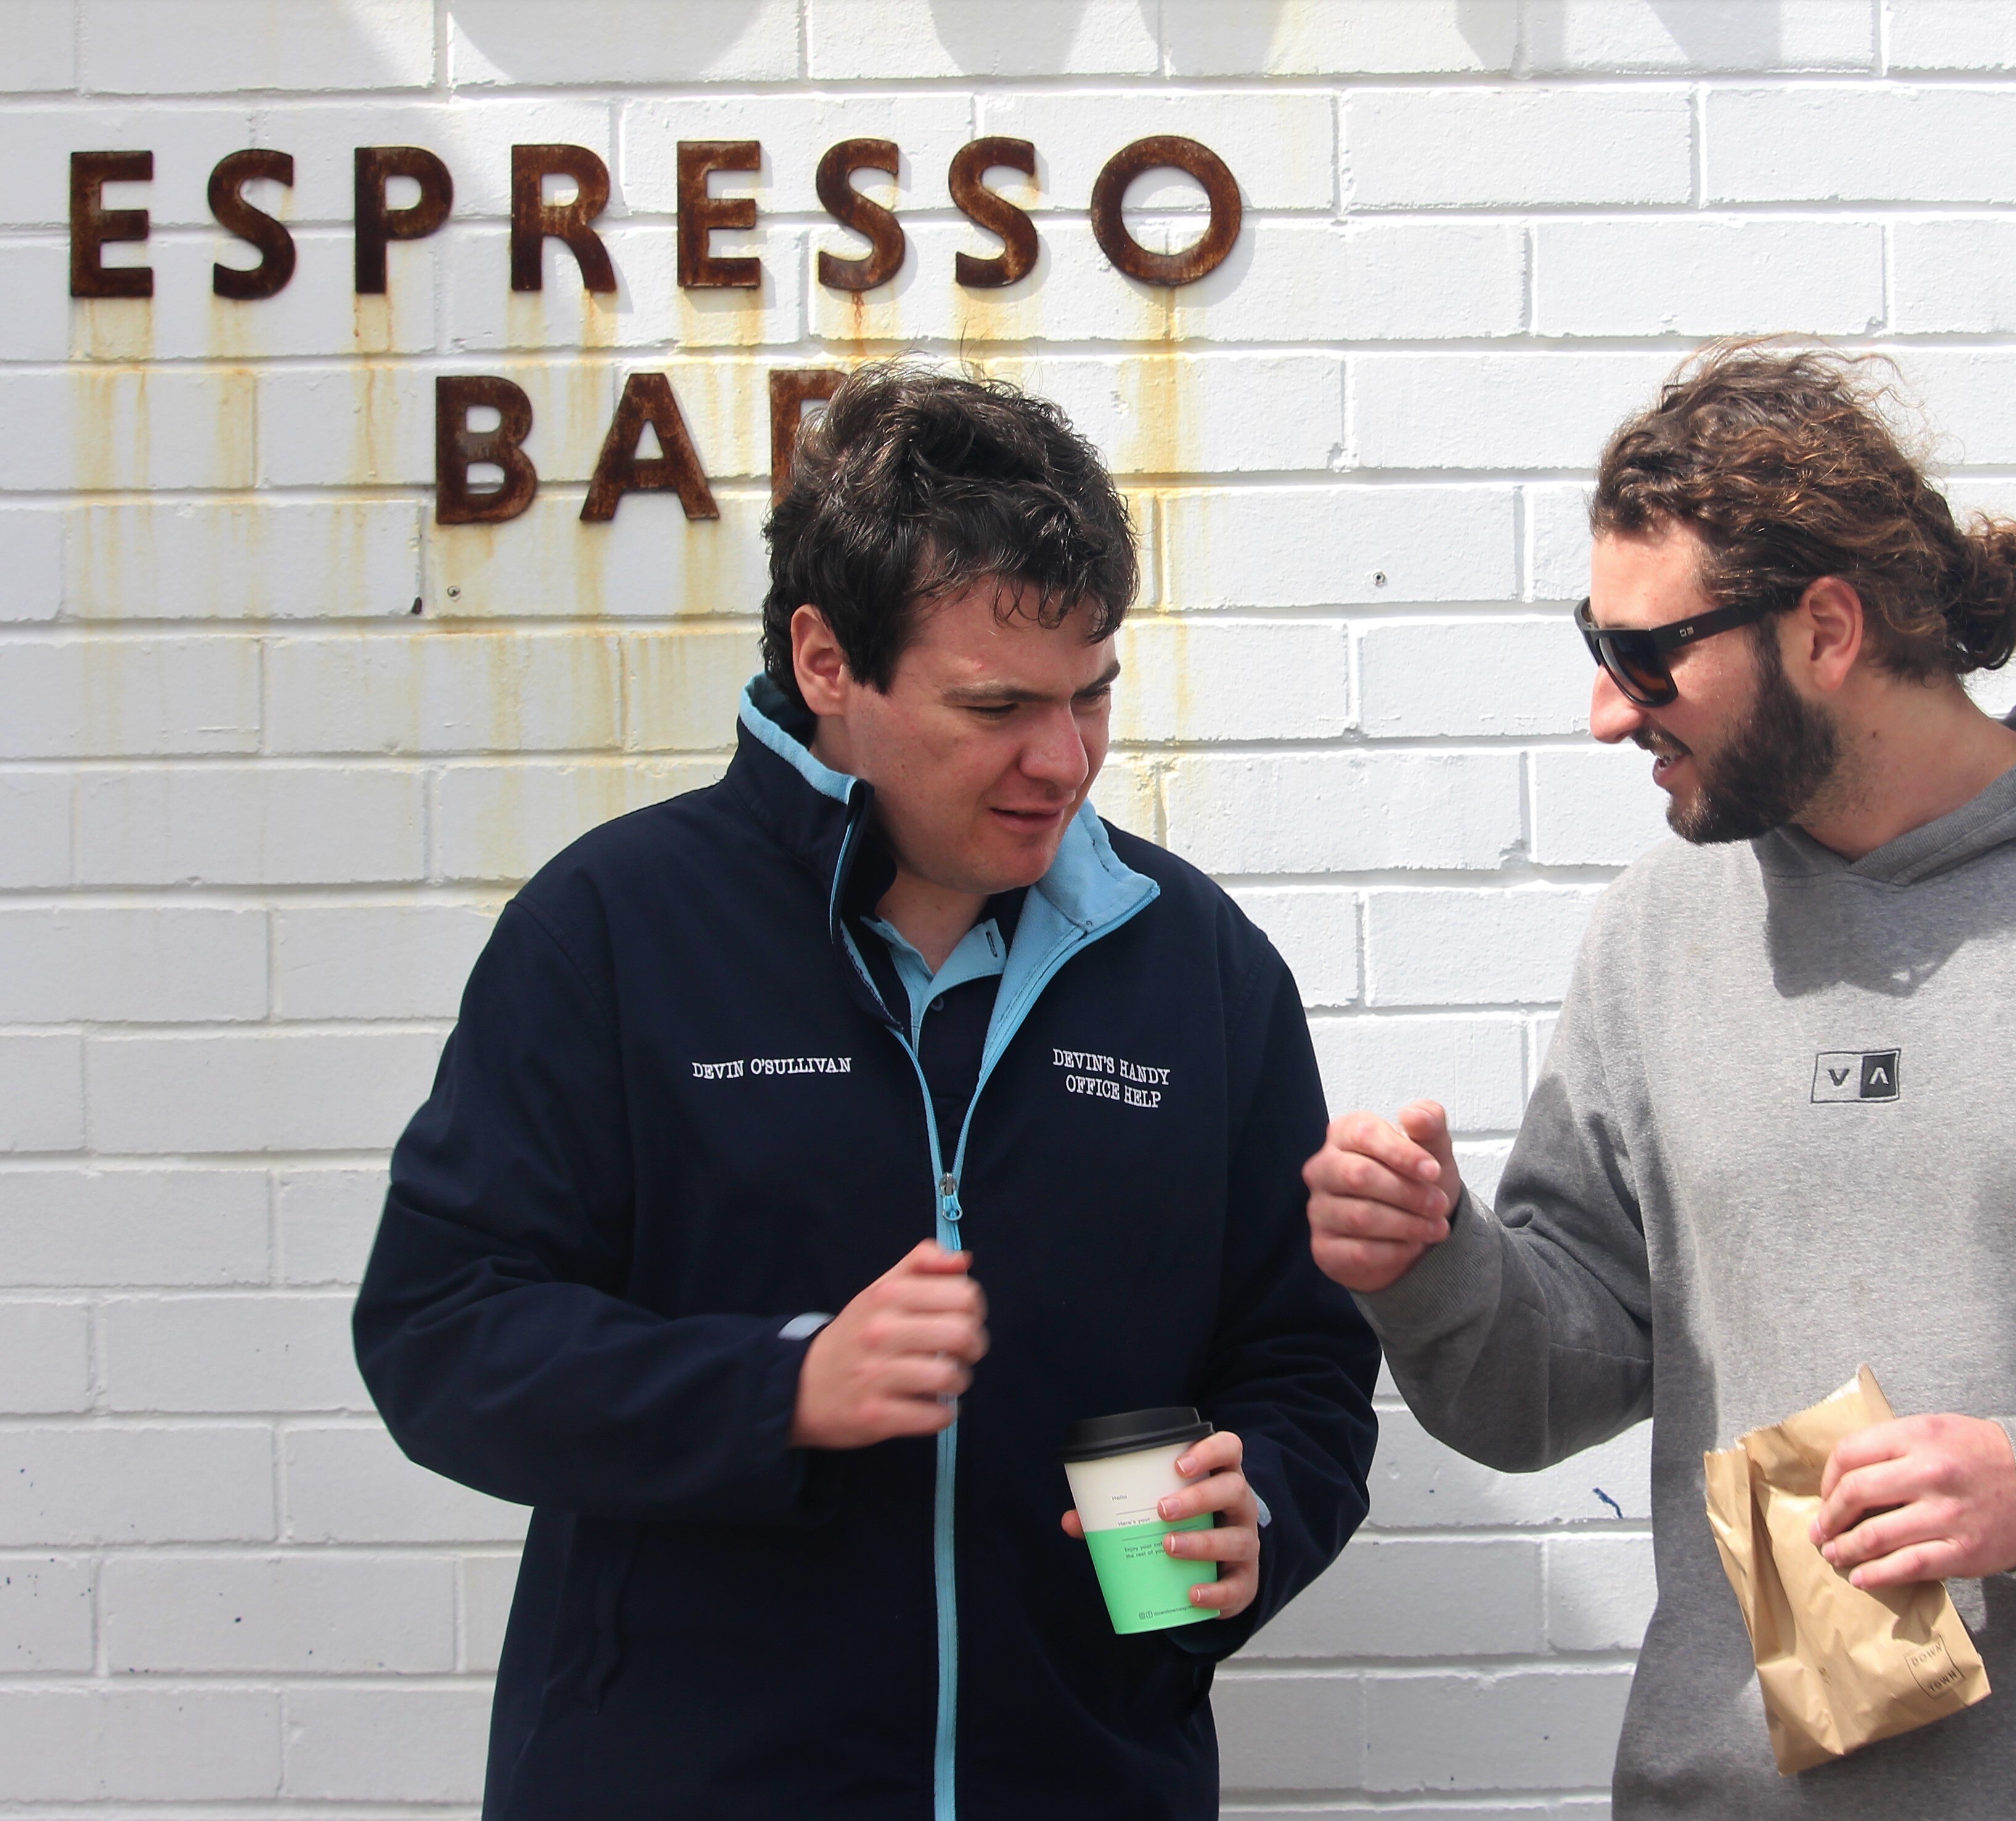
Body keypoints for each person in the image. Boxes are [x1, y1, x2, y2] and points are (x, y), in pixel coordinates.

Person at [1304, 344, 2016, 1819]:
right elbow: (1546, 1389)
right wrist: (1431, 1265)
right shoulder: (1661, 933)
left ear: (1828, 628)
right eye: (1597, 650)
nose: (1609, 712)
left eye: (1644, 657)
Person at [356, 362, 1379, 1819]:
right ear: (828, 661)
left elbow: (1300, 1363)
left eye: (1093, 695)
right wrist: (781, 1387)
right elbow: (442, 1335)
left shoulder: (1197, 965)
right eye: (997, 706)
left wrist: (1257, 1504)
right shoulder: (617, 931)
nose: (1066, 760)